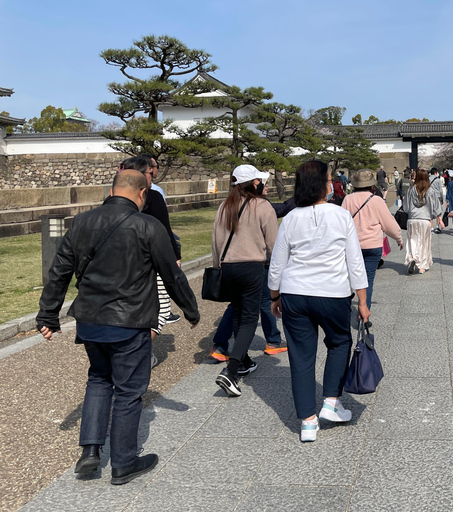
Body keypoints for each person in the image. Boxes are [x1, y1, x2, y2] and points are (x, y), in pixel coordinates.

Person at [36, 170, 199, 485]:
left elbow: (59, 271)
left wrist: (48, 316)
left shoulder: (81, 222)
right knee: (128, 390)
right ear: (142, 194)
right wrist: (190, 310)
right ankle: (124, 462)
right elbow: (171, 274)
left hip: (90, 322)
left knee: (99, 379)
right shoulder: (148, 226)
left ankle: (90, 452)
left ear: (112, 189)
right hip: (129, 321)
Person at [268, 160, 369, 442]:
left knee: (300, 356)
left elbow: (277, 264)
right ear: (325, 184)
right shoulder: (340, 216)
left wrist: (274, 296)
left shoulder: (289, 219)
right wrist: (362, 299)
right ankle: (331, 401)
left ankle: (307, 422)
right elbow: (355, 262)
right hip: (332, 293)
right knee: (339, 342)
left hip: (294, 293)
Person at [212, 165, 279, 397]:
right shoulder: (262, 206)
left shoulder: (225, 206)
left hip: (227, 267)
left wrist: (216, 267)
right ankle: (231, 371)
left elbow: (216, 240)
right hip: (251, 266)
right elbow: (274, 244)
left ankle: (243, 359)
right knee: (250, 318)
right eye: (259, 180)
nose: (261, 183)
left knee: (239, 314)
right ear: (253, 183)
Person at [121, 156, 180, 367]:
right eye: (149, 172)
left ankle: (131, 352)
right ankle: (138, 355)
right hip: (153, 260)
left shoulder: (114, 198)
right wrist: (175, 258)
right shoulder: (153, 196)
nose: (152, 175)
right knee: (162, 309)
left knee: (133, 309)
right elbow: (165, 229)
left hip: (124, 264)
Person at [342, 169, 404, 309]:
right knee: (368, 280)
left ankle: (347, 307)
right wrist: (398, 239)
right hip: (372, 246)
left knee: (351, 278)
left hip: (352, 246)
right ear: (372, 185)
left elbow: (342, 223)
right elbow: (389, 224)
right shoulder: (376, 200)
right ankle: (364, 313)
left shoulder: (347, 199)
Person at [403, 169, 442, 274]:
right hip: (425, 220)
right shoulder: (430, 190)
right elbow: (436, 207)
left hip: (412, 219)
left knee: (412, 241)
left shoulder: (411, 190)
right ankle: (422, 266)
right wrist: (436, 216)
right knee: (424, 243)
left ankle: (412, 259)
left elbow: (405, 207)